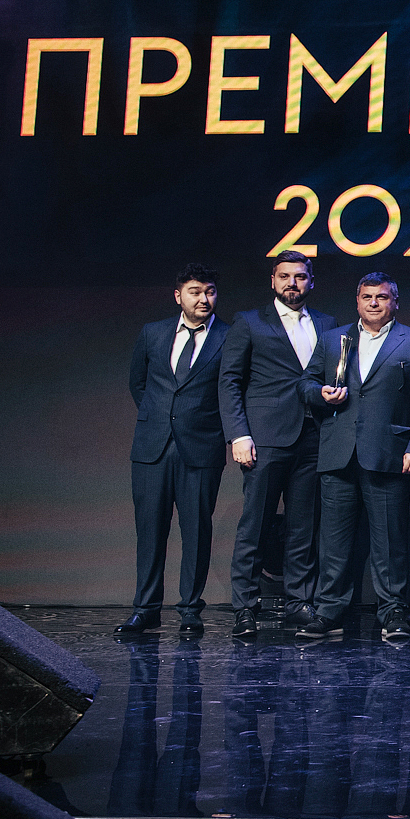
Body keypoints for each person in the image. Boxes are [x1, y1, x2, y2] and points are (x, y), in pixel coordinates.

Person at [296, 272, 410, 641]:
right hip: (339, 452)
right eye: (367, 297)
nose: (374, 303)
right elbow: (305, 384)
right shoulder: (333, 339)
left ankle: (392, 612)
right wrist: (320, 393)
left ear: (395, 302)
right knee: (334, 542)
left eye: (382, 297)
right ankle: (330, 611)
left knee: (390, 542)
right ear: (357, 301)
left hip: (389, 454)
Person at [217, 251, 338, 635]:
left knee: (303, 527)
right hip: (266, 438)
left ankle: (298, 602)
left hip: (314, 436)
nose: (292, 283)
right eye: (284, 276)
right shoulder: (250, 322)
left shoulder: (327, 324)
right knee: (256, 524)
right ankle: (245, 607)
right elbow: (229, 381)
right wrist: (239, 434)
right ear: (273, 281)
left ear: (311, 281)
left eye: (299, 276)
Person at [120, 265, 229, 636]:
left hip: (201, 448)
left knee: (196, 531)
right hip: (152, 447)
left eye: (210, 291)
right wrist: (160, 417)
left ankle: (190, 611)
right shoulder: (153, 332)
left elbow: (233, 389)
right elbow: (138, 382)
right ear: (178, 296)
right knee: (150, 530)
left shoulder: (229, 337)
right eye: (195, 292)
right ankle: (145, 609)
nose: (203, 299)